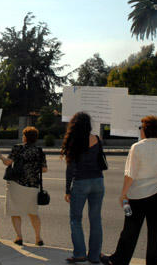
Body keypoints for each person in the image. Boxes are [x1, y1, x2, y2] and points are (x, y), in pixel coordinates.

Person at [100, 116, 157, 265]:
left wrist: (123, 194)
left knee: (130, 231)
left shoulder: (137, 147)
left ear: (146, 130)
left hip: (138, 196)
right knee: (156, 233)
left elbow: (130, 174)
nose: (140, 130)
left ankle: (119, 260)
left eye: (141, 128)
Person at [61, 112, 106, 264]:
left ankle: (80, 253)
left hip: (81, 182)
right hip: (98, 181)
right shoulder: (97, 139)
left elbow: (70, 168)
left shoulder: (74, 141)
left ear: (74, 124)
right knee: (96, 220)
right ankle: (94, 256)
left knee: (75, 219)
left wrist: (67, 190)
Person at [0, 126, 47, 246]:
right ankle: (38, 238)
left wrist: (0, 156)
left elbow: (7, 162)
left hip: (17, 184)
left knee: (15, 211)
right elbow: (44, 169)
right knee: (33, 212)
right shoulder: (39, 151)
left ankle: (19, 237)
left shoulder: (17, 148)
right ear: (36, 138)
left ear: (24, 137)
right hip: (33, 185)